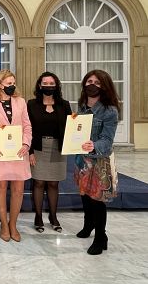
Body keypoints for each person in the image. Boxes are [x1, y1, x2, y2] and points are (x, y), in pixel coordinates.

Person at [0, 69, 32, 242]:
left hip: (18, 152)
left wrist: (26, 143)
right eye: (8, 83)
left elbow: (27, 126)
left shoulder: (21, 102)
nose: (12, 86)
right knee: (1, 189)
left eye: (13, 83)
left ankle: (13, 224)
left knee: (18, 190)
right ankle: (4, 224)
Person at [74, 69, 119, 255]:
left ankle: (101, 237)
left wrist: (93, 145)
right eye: (89, 81)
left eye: (97, 83)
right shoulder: (82, 107)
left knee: (97, 200)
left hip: (99, 161)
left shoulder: (110, 111)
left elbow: (107, 141)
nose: (92, 85)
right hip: (82, 161)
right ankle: (88, 225)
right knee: (84, 195)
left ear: (105, 87)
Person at [27, 72, 72, 233]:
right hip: (38, 147)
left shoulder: (64, 105)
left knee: (54, 183)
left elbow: (71, 128)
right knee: (38, 182)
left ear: (56, 85)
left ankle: (53, 217)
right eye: (45, 83)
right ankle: (38, 217)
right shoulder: (31, 104)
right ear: (39, 86)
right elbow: (27, 129)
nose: (48, 86)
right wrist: (29, 151)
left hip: (57, 147)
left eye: (51, 83)